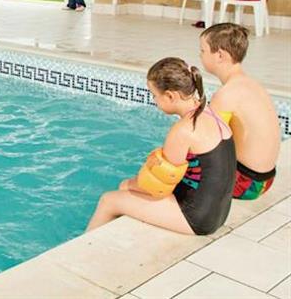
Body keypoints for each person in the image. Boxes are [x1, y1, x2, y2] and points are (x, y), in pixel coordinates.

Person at [86, 57, 236, 235]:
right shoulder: (212, 114)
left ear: (170, 96)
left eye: (154, 95)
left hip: (197, 219)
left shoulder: (183, 130)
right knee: (127, 190)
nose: (154, 100)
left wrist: (130, 184)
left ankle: (78, 254)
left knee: (109, 200)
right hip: (218, 213)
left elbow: (158, 188)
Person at [200, 23, 280, 199]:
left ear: (220, 55)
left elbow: (206, 140)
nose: (200, 55)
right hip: (265, 179)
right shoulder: (251, 84)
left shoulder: (226, 95)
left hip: (245, 182)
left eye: (203, 51)